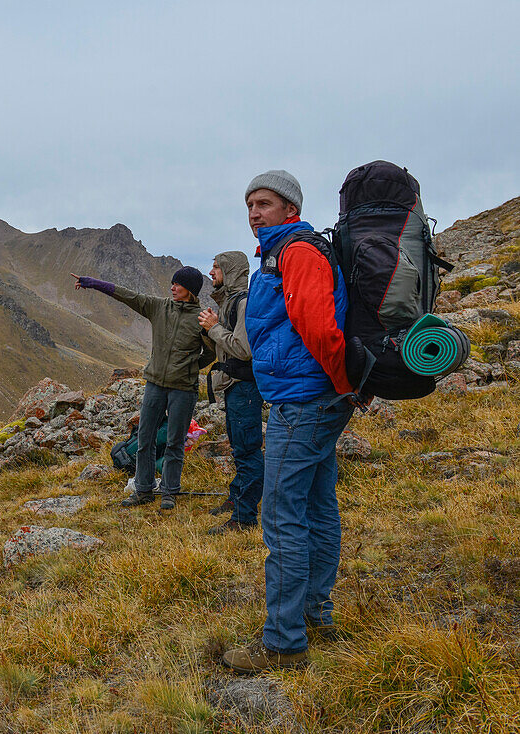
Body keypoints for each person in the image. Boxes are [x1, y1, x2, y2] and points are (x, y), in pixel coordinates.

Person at [222, 170, 357, 674]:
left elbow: (319, 328)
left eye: (264, 203)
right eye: (250, 205)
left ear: (290, 207)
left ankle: (283, 642)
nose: (255, 213)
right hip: (314, 399)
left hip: (303, 404)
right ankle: (315, 613)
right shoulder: (283, 254)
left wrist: (344, 384)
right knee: (319, 506)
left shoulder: (297, 253)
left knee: (281, 516)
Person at [72, 267, 212, 509]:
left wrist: (191, 366)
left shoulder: (200, 317)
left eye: (178, 284)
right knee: (145, 438)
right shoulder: (159, 307)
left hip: (183, 389)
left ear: (190, 290)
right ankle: (143, 490)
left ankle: (169, 491)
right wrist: (92, 282)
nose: (172, 287)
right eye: (172, 282)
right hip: (155, 384)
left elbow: (211, 350)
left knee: (175, 442)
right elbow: (128, 295)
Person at [198, 251, 264, 534]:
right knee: (239, 447)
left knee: (248, 450)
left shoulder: (244, 303)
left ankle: (245, 517)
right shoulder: (230, 303)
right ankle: (237, 498)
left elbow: (242, 349)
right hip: (234, 386)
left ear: (230, 270)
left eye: (216, 267)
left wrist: (214, 329)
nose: (211, 272)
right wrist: (214, 326)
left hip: (244, 386)